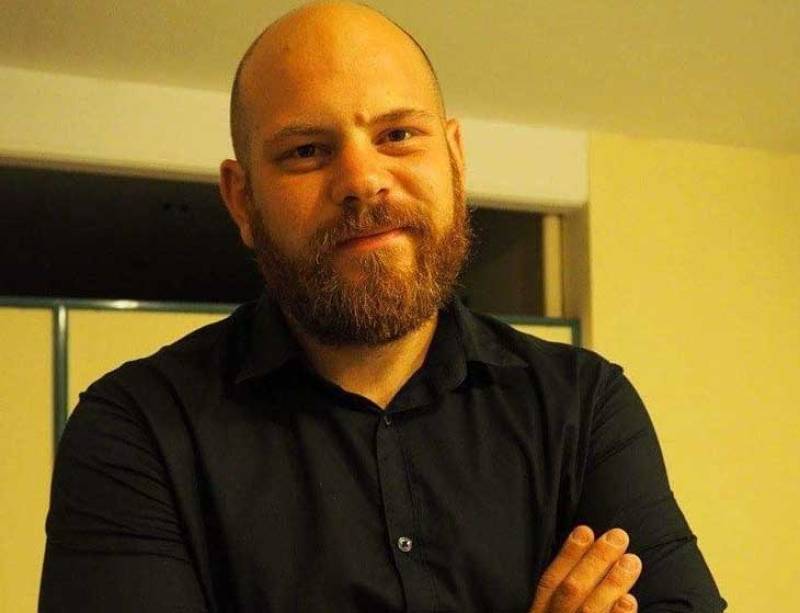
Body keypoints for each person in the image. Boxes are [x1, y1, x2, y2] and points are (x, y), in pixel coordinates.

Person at [39, 2, 726, 612]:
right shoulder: (135, 429)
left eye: (398, 135)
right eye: (307, 150)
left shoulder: (584, 406)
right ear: (242, 200)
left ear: (455, 159)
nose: (364, 179)